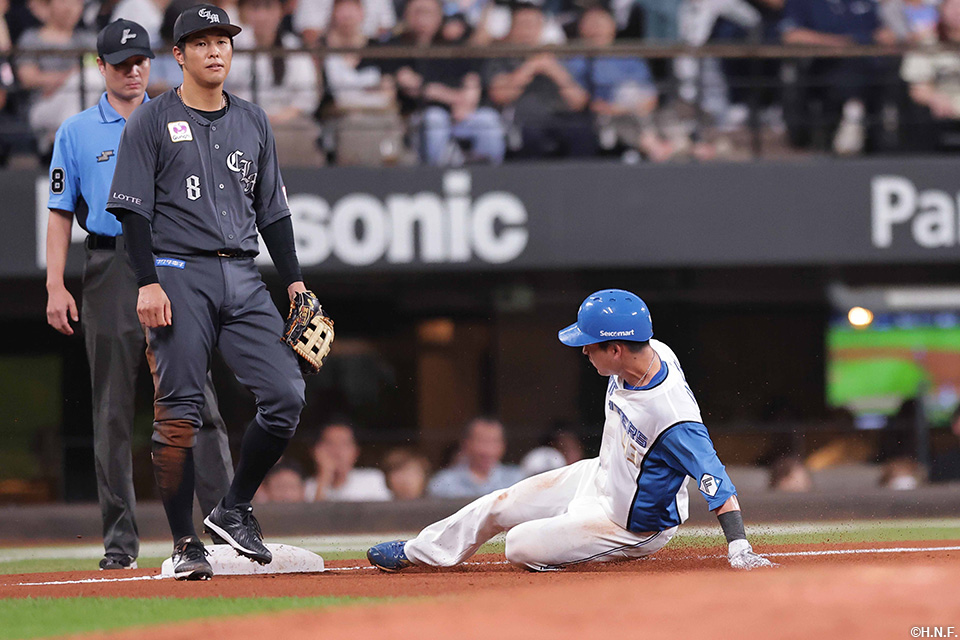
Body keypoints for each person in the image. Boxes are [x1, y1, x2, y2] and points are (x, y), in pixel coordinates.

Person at [105, 3, 309, 580]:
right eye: (200, 42)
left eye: (222, 40)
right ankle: (183, 543)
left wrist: (295, 281)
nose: (214, 50)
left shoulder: (254, 120)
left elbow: (274, 211)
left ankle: (233, 508)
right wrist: (148, 281)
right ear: (179, 54)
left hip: (243, 274)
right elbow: (133, 213)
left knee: (286, 396)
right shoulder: (150, 119)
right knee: (179, 414)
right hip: (177, 271)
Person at [368, 289, 774, 572]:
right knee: (499, 504)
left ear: (616, 350)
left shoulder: (671, 415)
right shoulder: (647, 352)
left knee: (519, 546)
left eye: (591, 344)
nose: (583, 350)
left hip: (633, 523)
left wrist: (738, 544)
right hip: (599, 475)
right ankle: (419, 551)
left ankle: (573, 550)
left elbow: (715, 478)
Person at [44, 18, 234, 572]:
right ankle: (120, 544)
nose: (133, 71)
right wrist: (54, 283)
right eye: (121, 63)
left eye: (141, 61)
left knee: (198, 398)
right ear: (100, 66)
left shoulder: (180, 115)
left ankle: (227, 528)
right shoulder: (76, 131)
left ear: (154, 62)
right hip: (109, 263)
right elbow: (59, 212)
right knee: (111, 408)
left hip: (172, 261)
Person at [485, 1, 596, 159]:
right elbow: (500, 96)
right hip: (522, 124)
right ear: (511, 27)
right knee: (532, 134)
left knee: (582, 132)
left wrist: (554, 71)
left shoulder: (558, 56)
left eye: (533, 25)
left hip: (560, 119)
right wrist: (530, 67)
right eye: (523, 24)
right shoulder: (500, 58)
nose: (527, 31)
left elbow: (579, 102)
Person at [229, 0, 323, 165]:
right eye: (255, 8)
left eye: (268, 8)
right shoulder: (231, 47)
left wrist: (279, 117)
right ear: (243, 12)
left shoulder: (293, 47)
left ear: (280, 12)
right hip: (243, 118)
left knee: (300, 133)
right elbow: (224, 90)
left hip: (285, 119)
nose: (262, 16)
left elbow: (307, 97)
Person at [15, 0, 98, 158]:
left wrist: (65, 80)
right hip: (43, 104)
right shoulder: (32, 38)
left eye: (76, 4)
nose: (70, 9)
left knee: (90, 78)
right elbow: (27, 77)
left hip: (83, 104)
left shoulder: (88, 40)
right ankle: (69, 142)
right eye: (65, 2)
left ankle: (61, 140)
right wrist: (69, 78)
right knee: (84, 79)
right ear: (49, 5)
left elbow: (102, 74)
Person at [426, 417, 525, 498]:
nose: (488, 450)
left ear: (503, 446)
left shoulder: (516, 480)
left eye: (494, 442)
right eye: (481, 441)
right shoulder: (443, 483)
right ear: (466, 444)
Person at [305, 422, 391, 501]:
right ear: (316, 451)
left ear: (356, 451)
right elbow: (314, 512)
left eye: (344, 444)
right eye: (330, 443)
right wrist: (324, 478)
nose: (337, 452)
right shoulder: (309, 487)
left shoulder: (372, 479)